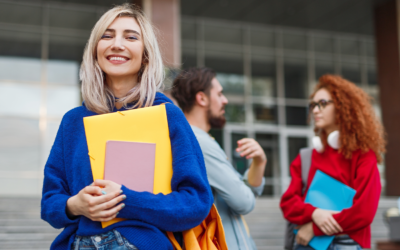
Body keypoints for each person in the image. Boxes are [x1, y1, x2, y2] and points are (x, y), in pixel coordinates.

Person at [41, 4, 213, 250]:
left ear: (145, 54)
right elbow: (50, 202)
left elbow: (195, 203)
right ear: (95, 51)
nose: (117, 44)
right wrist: (74, 205)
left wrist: (125, 200)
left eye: (131, 37)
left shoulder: (167, 115)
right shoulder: (73, 121)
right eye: (107, 35)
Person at [280, 74, 386, 250]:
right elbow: (288, 203)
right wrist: (315, 213)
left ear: (343, 106)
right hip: (308, 245)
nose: (315, 110)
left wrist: (315, 228)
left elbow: (364, 212)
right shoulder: (306, 157)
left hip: (345, 244)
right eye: (313, 105)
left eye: (322, 104)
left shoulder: (364, 155)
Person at [171, 67, 267, 250]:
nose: (225, 100)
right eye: (220, 94)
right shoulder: (200, 143)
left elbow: (242, 191)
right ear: (202, 98)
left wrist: (259, 161)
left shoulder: (191, 139)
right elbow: (244, 202)